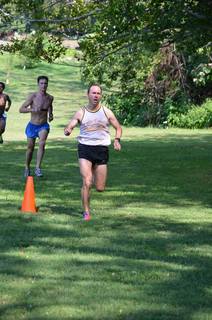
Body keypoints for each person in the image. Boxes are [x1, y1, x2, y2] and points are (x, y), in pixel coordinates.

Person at [64, 84, 122, 220]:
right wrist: (69, 129)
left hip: (101, 149)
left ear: (101, 96)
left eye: (98, 93)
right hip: (85, 147)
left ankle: (94, 176)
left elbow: (118, 127)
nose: (96, 95)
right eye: (93, 93)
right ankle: (86, 212)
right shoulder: (81, 112)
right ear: (88, 94)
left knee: (100, 187)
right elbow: (72, 123)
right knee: (87, 181)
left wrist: (117, 140)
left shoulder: (107, 112)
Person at [19, 75, 54, 178]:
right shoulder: (33, 96)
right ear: (38, 84)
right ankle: (27, 167)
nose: (43, 85)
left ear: (47, 84)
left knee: (42, 143)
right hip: (32, 126)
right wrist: (31, 109)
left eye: (45, 83)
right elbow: (21, 109)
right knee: (30, 148)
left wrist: (51, 114)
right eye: (41, 83)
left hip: (43, 125)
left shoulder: (50, 98)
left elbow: (50, 106)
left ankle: (38, 168)